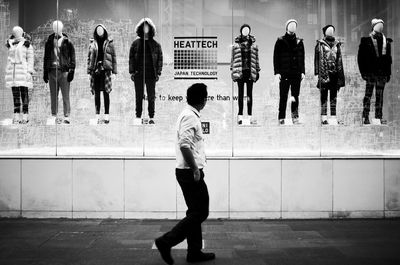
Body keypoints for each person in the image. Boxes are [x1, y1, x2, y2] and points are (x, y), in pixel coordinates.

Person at [155, 83, 215, 265]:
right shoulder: (190, 117)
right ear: (203, 100)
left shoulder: (188, 114)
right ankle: (166, 241)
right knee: (200, 212)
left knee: (195, 212)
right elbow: (184, 145)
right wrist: (196, 169)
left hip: (187, 171)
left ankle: (194, 252)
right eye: (206, 97)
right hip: (190, 172)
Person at [358, 18, 393, 125]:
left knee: (380, 96)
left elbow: (388, 59)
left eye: (382, 26)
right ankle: (365, 116)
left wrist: (388, 73)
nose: (380, 28)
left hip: (382, 73)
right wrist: (363, 73)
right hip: (370, 73)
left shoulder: (386, 41)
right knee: (368, 95)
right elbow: (361, 58)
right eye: (378, 26)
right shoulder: (366, 41)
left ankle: (378, 116)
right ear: (373, 27)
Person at [129, 18, 163, 124]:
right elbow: (131, 59)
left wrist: (158, 72)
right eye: (143, 27)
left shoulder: (156, 45)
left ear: (151, 28)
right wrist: (132, 72)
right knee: (138, 96)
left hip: (151, 74)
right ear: (140, 28)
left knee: (151, 96)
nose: (145, 29)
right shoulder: (135, 44)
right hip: (138, 73)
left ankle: (151, 117)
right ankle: (138, 117)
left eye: (147, 27)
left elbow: (160, 60)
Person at [43, 20, 76, 124]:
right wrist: (45, 72)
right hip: (52, 71)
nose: (55, 29)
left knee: (65, 95)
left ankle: (67, 116)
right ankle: (54, 115)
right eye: (54, 27)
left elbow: (73, 58)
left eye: (57, 27)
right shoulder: (49, 41)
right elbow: (46, 57)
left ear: (61, 28)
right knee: (53, 95)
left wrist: (71, 71)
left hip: (64, 72)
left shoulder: (67, 41)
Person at [273, 19, 305, 125]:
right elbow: (276, 58)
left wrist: (302, 71)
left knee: (295, 96)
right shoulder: (280, 41)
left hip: (296, 73)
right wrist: (277, 72)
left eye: (295, 25)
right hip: (284, 72)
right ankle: (281, 117)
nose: (293, 27)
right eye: (291, 25)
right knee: (283, 96)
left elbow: (302, 58)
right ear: (286, 27)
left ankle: (295, 117)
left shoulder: (299, 42)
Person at [314, 25, 345, 125]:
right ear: (325, 32)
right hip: (324, 72)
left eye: (332, 30)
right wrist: (317, 72)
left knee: (333, 96)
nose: (331, 32)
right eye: (329, 30)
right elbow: (317, 59)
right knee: (324, 96)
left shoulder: (337, 44)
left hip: (335, 73)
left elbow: (339, 59)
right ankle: (323, 117)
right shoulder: (320, 44)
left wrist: (340, 74)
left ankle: (333, 116)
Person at [87, 24, 117, 124]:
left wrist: (114, 72)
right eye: (98, 30)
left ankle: (107, 116)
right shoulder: (92, 43)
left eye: (101, 29)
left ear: (104, 31)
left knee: (106, 93)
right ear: (96, 31)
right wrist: (88, 71)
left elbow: (113, 58)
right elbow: (89, 58)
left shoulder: (109, 43)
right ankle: (97, 116)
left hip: (106, 71)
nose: (100, 31)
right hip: (95, 71)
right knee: (96, 94)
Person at [231, 24, 260, 125]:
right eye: (244, 29)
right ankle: (240, 116)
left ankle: (250, 116)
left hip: (249, 71)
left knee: (249, 94)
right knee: (240, 94)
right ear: (241, 31)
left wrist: (257, 70)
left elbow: (256, 58)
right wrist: (233, 71)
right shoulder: (236, 45)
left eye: (248, 29)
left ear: (250, 31)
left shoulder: (254, 45)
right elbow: (233, 59)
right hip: (240, 72)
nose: (246, 31)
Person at [5, 26, 34, 124]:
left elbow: (30, 59)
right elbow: (9, 58)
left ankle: (25, 115)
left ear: (22, 32)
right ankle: (16, 115)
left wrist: (29, 71)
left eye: (18, 32)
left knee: (24, 94)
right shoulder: (11, 43)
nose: (16, 33)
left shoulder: (27, 44)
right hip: (13, 72)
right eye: (14, 32)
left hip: (23, 71)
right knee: (15, 95)